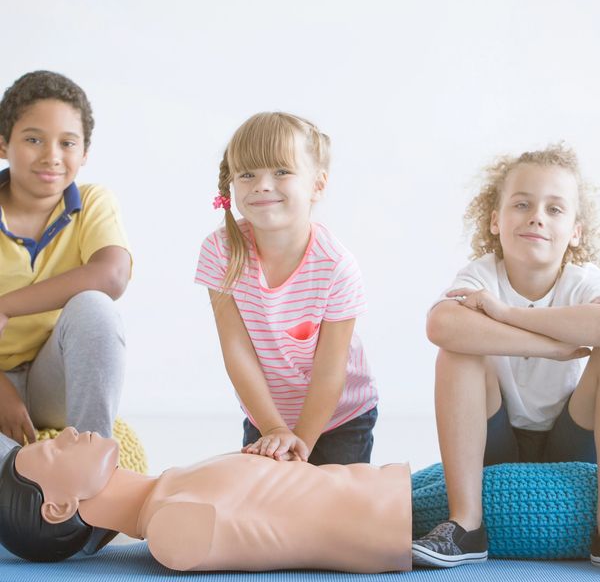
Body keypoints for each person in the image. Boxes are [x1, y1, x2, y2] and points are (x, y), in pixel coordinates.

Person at [412, 143, 600, 568]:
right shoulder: (482, 274)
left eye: (555, 209)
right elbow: (440, 325)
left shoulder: (582, 281)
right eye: (522, 204)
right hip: (497, 437)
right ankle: (467, 526)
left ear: (576, 232)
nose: (537, 215)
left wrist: (507, 314)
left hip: (572, 439)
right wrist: (549, 348)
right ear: (495, 221)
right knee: (456, 351)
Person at [195, 112, 377, 465]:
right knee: (267, 512)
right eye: (248, 174)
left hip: (342, 416)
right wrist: (275, 430)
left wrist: (300, 445)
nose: (263, 185)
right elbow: (237, 351)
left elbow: (330, 371)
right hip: (267, 414)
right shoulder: (220, 252)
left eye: (281, 171)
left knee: (333, 513)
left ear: (317, 185)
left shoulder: (336, 266)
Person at [0, 427, 412, 572]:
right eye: (54, 449)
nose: (69, 431)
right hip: (413, 527)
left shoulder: (170, 489)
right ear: (57, 508)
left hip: (400, 487)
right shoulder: (171, 530)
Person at [0, 71, 131, 466]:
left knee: (95, 306)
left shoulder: (92, 202)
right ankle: (19, 474)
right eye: (33, 139)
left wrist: (4, 305)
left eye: (67, 143)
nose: (52, 155)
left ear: (85, 153)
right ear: (3, 144)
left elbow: (112, 274)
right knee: (16, 474)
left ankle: (90, 461)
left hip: (49, 381)